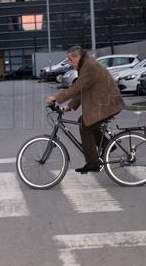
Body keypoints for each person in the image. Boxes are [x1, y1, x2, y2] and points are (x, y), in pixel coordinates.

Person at [45, 45, 125, 173]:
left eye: (70, 60)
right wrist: (69, 106)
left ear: (77, 57)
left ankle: (93, 162)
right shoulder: (85, 65)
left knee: (85, 126)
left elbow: (77, 87)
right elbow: (84, 89)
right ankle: (107, 146)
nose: (69, 63)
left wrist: (56, 98)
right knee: (84, 120)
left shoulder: (89, 66)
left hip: (109, 104)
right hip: (105, 103)